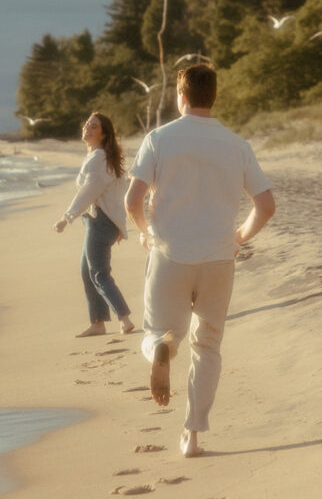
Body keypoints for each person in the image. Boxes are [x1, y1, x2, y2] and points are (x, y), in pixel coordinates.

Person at [124, 64, 275, 458]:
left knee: (157, 332)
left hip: (170, 254)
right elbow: (266, 205)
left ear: (181, 96)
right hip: (218, 260)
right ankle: (192, 436)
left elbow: (132, 201)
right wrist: (240, 235)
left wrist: (146, 231)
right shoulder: (236, 144)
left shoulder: (159, 139)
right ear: (214, 96)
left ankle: (160, 348)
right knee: (207, 347)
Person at [54, 111, 135, 337]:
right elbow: (115, 195)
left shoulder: (99, 158)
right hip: (100, 222)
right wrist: (119, 226)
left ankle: (124, 318)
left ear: (104, 134)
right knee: (87, 271)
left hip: (100, 222)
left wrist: (66, 217)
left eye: (94, 126)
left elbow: (89, 192)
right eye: (87, 125)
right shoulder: (99, 156)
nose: (87, 129)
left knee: (99, 273)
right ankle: (98, 323)